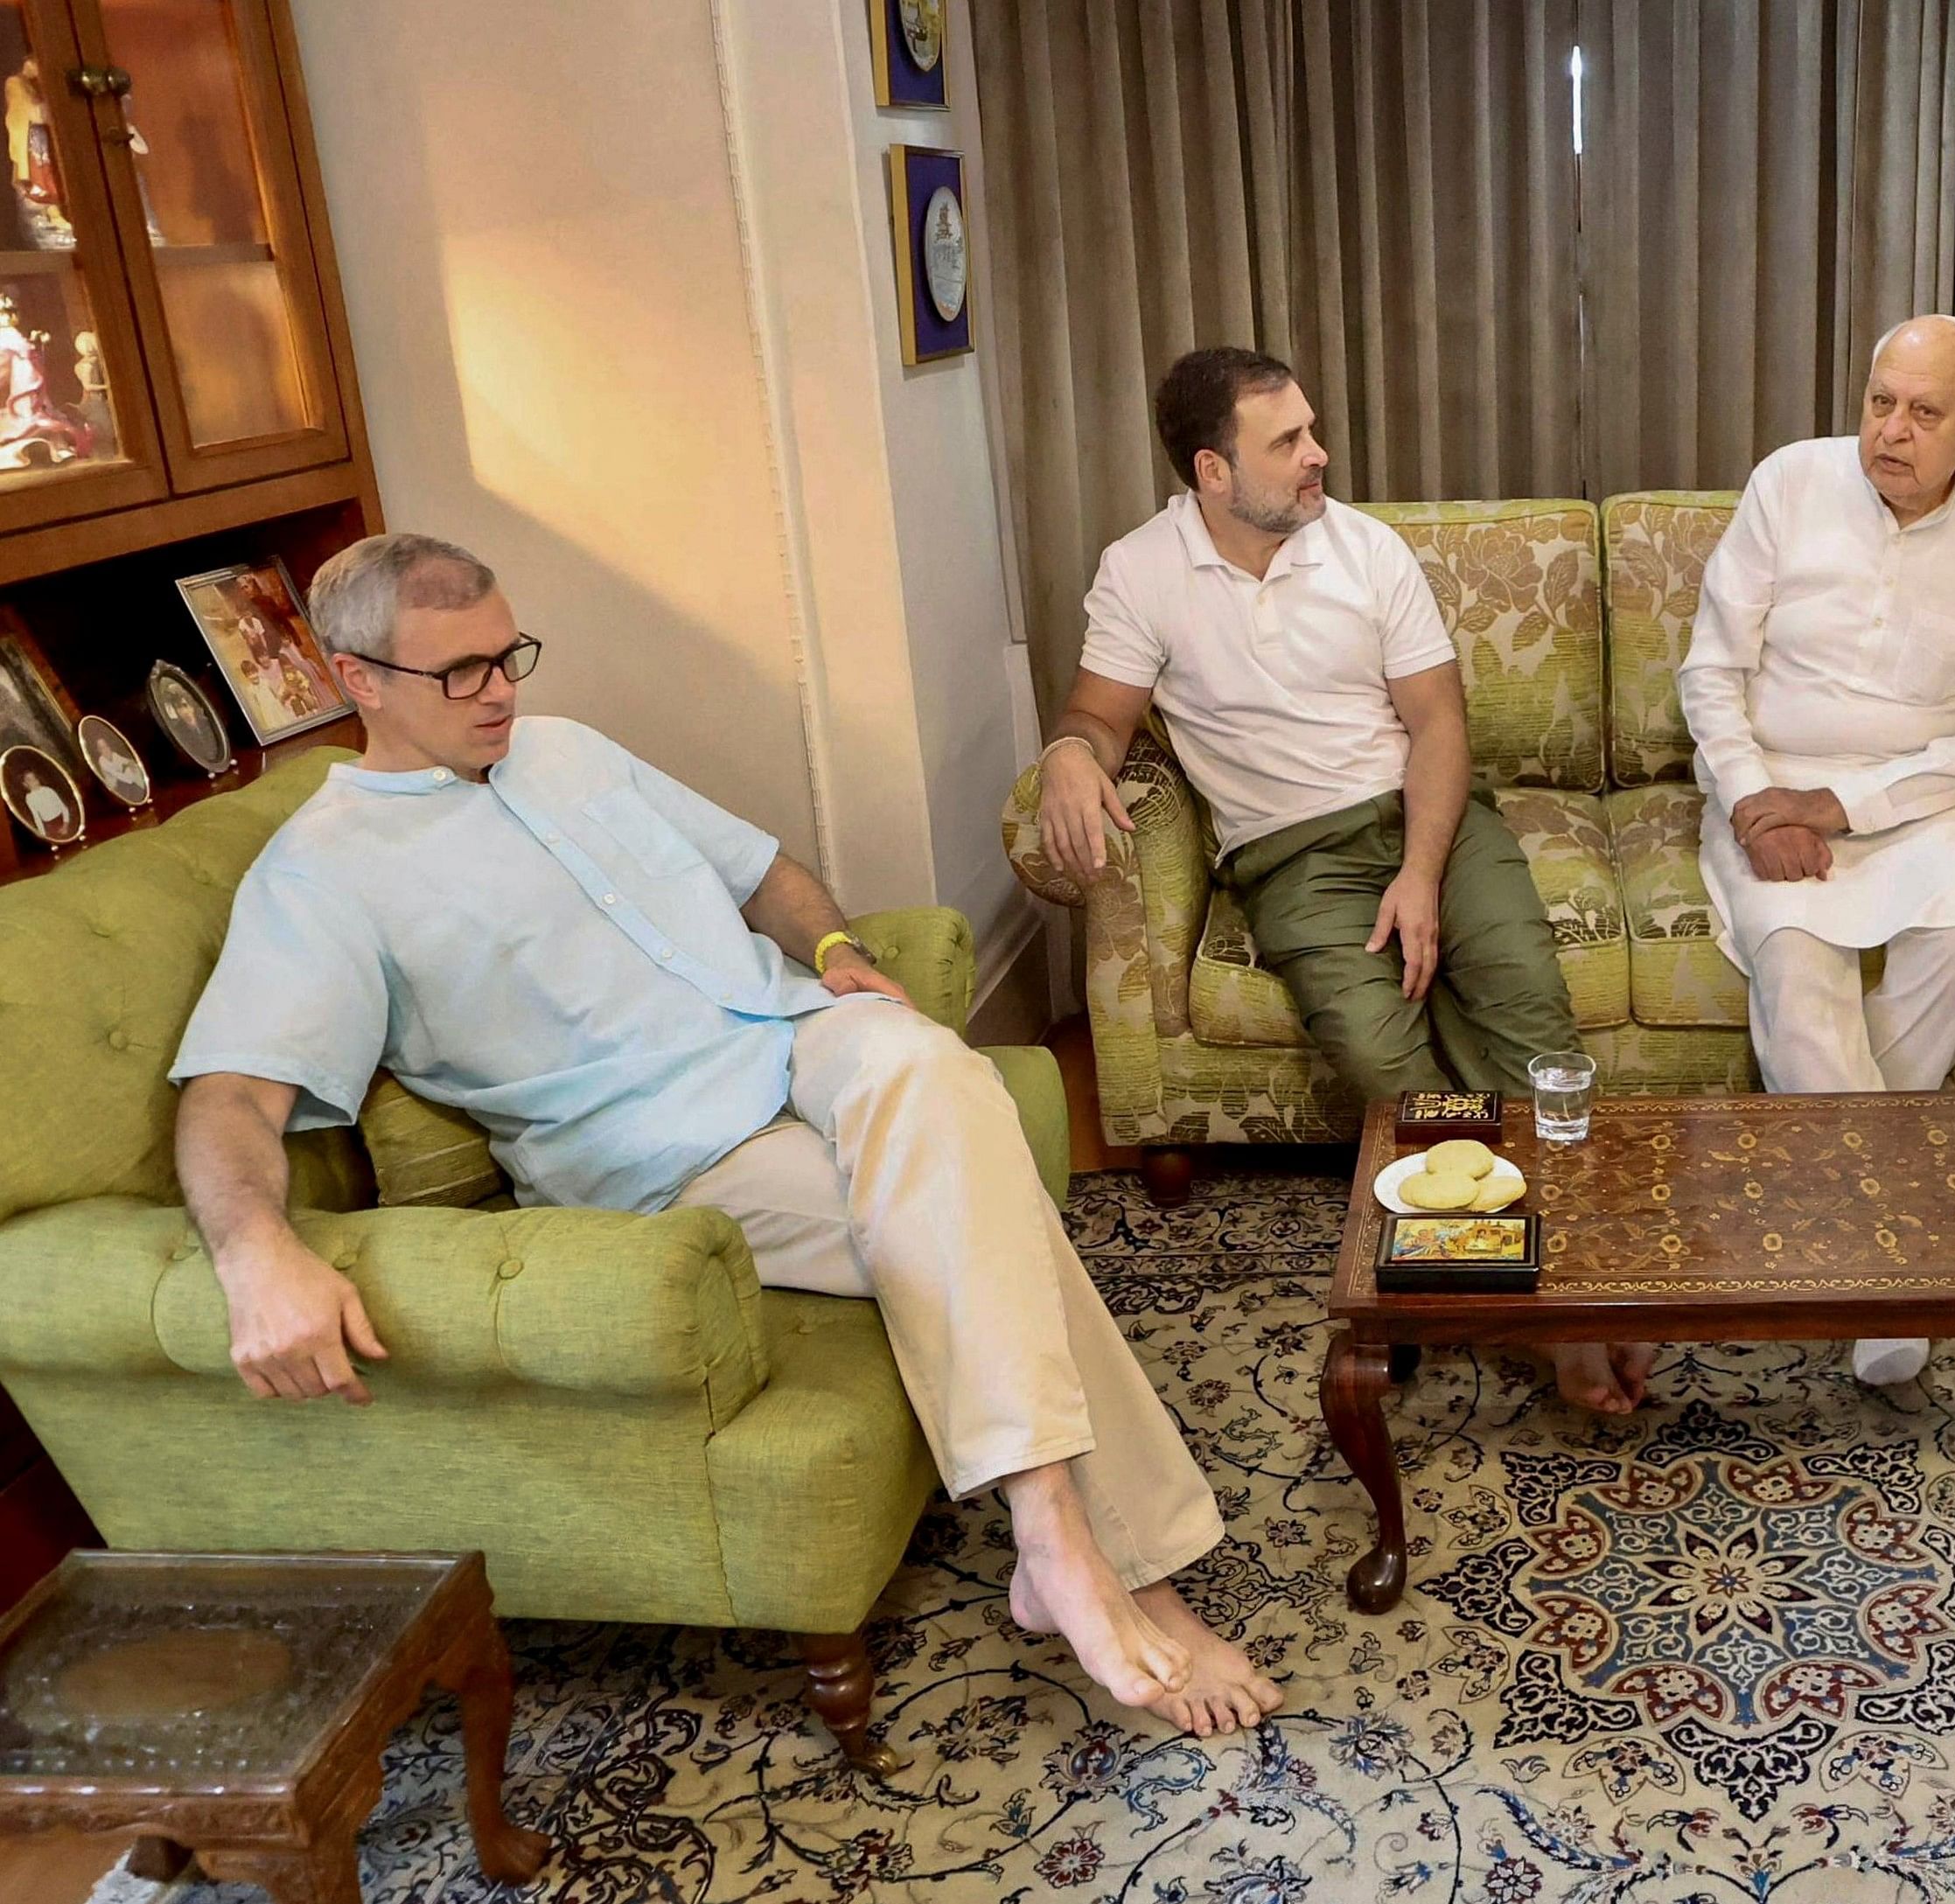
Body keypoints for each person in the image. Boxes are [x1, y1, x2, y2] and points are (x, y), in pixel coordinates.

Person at [168, 534, 1281, 1740]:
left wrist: (841, 957)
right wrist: (252, 1251)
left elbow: (766, 871)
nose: (501, 692)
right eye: (460, 673)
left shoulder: (568, 752)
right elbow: (230, 1095)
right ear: (356, 678)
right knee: (974, 1219)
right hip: (678, 1155)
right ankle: (1101, 1557)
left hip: (798, 1036)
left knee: (919, 1055)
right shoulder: (321, 874)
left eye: (509, 656)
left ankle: (1053, 1538)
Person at [1032, 347, 1649, 1415]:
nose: (1319, 455)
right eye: (1288, 442)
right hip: (1291, 855)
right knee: (1385, 1062)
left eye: (1312, 430)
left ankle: (1573, 1299)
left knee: (1533, 1034)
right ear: (1211, 472)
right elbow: (1098, 714)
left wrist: (1420, 871)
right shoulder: (1140, 570)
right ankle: (1522, 1297)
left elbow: (1440, 725)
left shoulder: (1366, 550)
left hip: (1428, 816)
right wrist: (1068, 754)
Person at [1677, 316, 1955, 1389]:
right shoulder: (1789, 484)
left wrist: (1845, 803)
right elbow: (1710, 674)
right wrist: (1757, 800)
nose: (1890, 431)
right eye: (1878, 400)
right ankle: (1899, 1251)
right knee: (1799, 965)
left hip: (1926, 797)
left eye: (1923, 412)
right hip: (1772, 782)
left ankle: (1847, 1218)